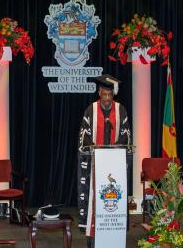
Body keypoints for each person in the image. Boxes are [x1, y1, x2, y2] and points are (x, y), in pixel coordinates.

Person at [77, 74, 131, 248]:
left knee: (112, 198)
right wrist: (95, 148)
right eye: (104, 94)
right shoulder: (90, 110)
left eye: (110, 95)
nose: (107, 98)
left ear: (113, 95)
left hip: (113, 165)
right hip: (94, 165)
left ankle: (113, 237)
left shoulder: (121, 110)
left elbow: (126, 135)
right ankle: (93, 238)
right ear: (99, 93)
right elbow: (83, 138)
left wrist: (114, 149)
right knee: (94, 200)